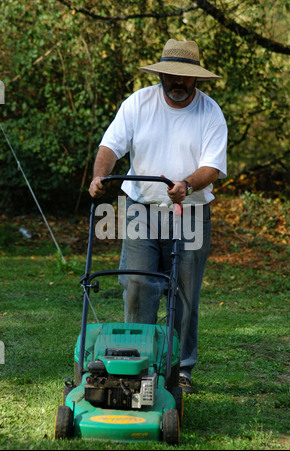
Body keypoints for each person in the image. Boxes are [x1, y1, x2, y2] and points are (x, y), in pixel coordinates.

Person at [89, 39, 227, 394]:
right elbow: (110, 145)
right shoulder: (138, 103)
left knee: (184, 293)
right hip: (141, 210)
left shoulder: (210, 112)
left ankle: (180, 368)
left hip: (191, 212)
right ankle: (136, 359)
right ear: (161, 74)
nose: (177, 83)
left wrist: (187, 184)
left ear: (196, 79)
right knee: (137, 285)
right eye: (171, 76)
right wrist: (99, 175)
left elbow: (212, 167)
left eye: (185, 78)